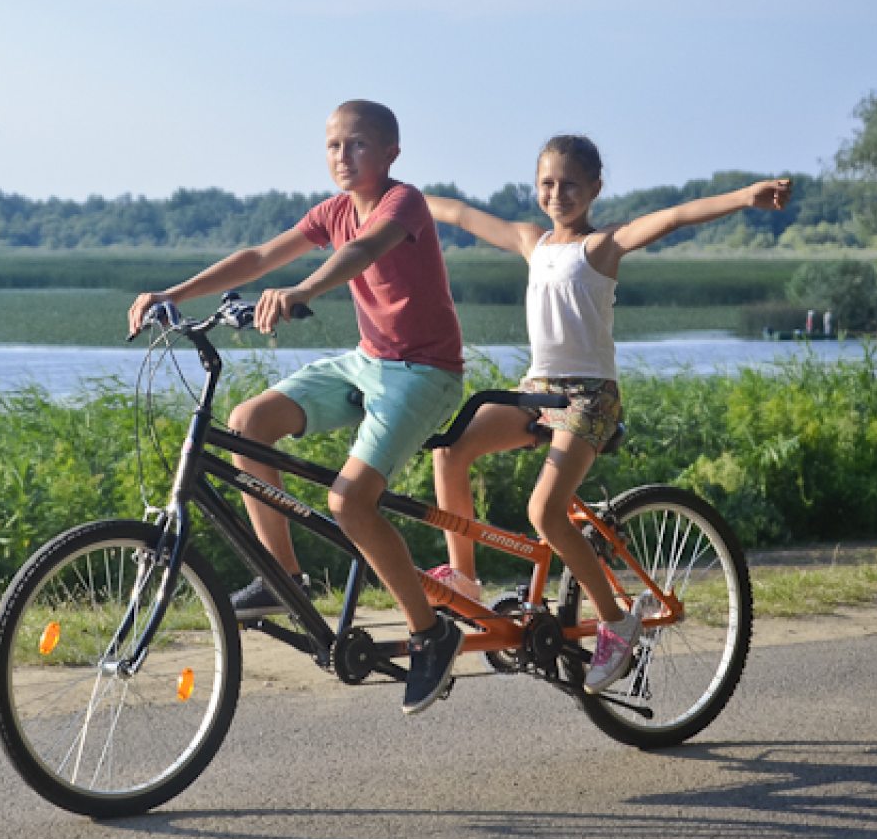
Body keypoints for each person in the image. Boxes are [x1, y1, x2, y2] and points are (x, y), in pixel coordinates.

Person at [127, 100, 468, 715]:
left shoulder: (403, 202)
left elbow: (363, 253)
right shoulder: (331, 211)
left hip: (425, 372)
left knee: (348, 502)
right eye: (334, 145)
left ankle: (431, 633)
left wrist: (304, 290)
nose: (343, 156)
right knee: (248, 423)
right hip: (368, 360)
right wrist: (170, 295)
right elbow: (259, 258)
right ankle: (283, 580)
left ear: (390, 152)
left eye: (358, 145)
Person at [424, 136, 791, 693]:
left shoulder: (602, 246)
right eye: (547, 183)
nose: (557, 193)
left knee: (544, 511)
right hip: (538, 390)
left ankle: (617, 622)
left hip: (589, 397)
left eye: (570, 184)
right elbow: (457, 213)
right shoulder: (532, 241)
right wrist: (389, 196)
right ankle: (466, 581)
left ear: (595, 188)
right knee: (451, 449)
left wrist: (744, 197)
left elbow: (673, 217)